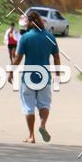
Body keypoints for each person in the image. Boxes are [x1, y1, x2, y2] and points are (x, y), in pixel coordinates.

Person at [10, 10, 61, 144]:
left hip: (28, 77)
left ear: (30, 22)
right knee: (44, 104)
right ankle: (43, 125)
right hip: (45, 76)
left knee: (28, 106)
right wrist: (58, 74)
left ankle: (31, 135)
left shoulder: (25, 37)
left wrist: (10, 72)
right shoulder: (50, 37)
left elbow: (18, 58)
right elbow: (56, 57)